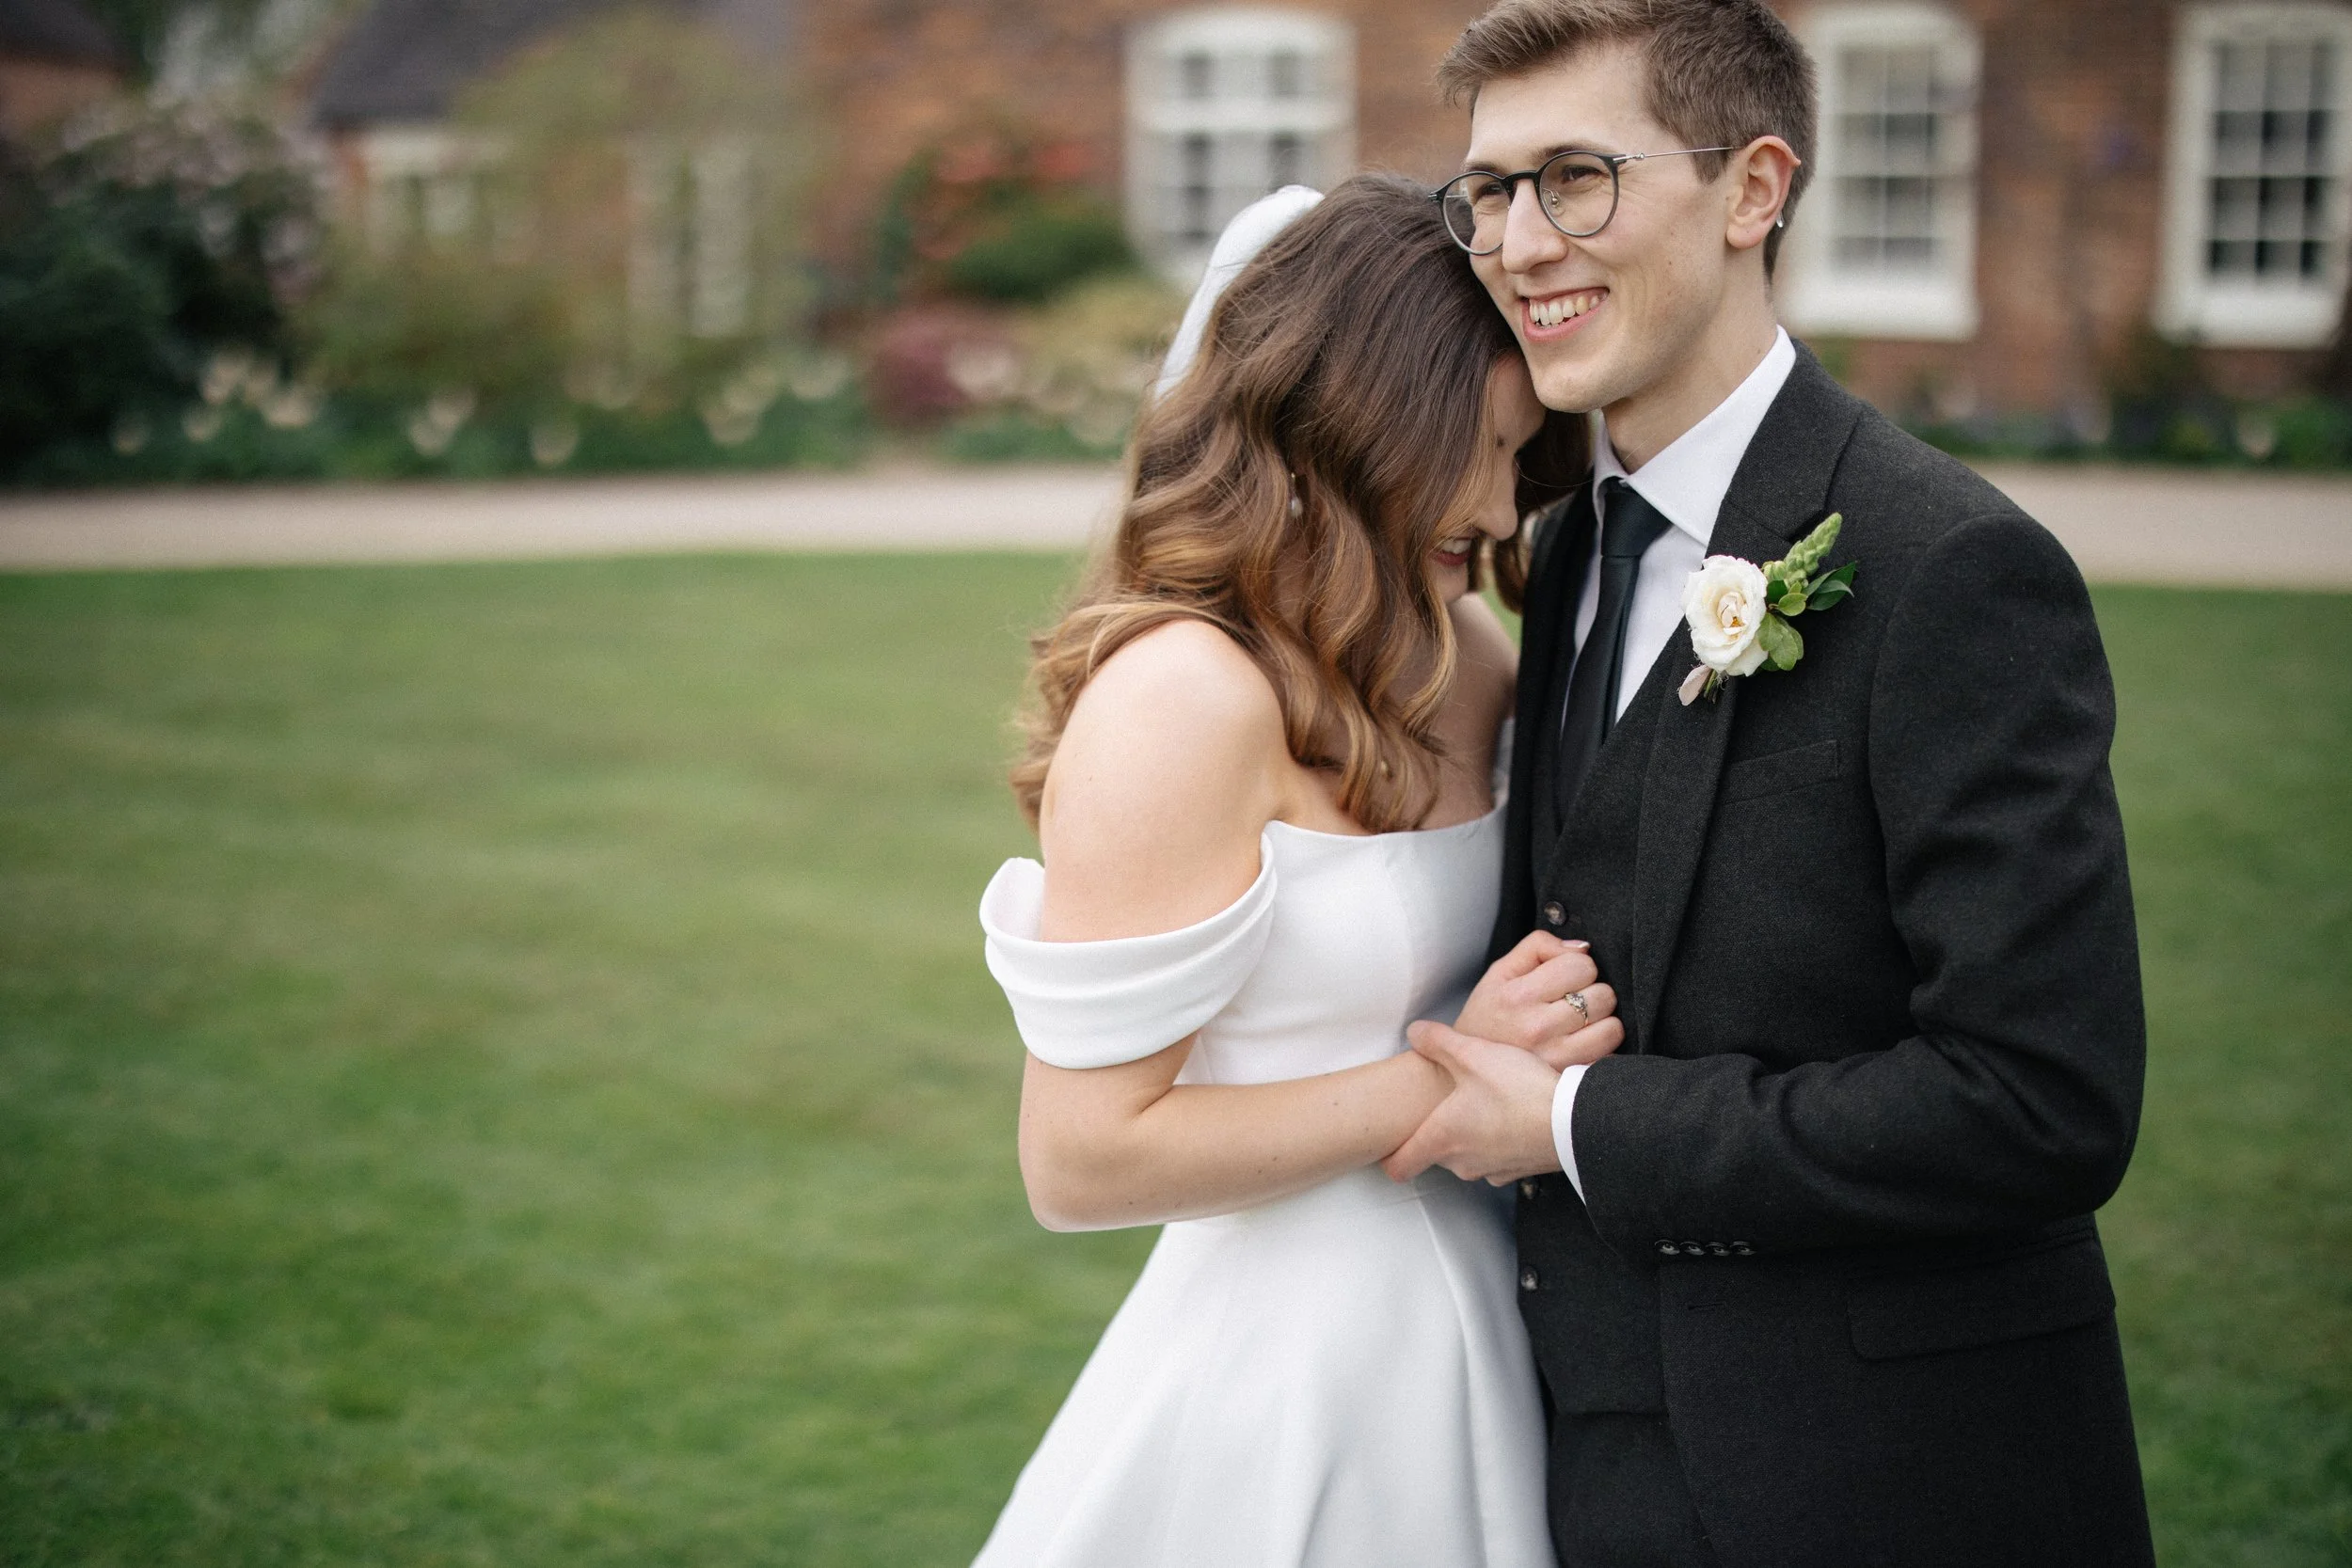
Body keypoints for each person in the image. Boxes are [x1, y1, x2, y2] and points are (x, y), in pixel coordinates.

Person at [1383, 2, 2159, 1564]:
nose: (1521, 243)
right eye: (1490, 190)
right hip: (1583, 1459)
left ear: (1754, 191)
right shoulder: (1564, 543)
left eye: (1580, 177)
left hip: (1887, 1480)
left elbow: (2039, 1101)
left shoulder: (1955, 568)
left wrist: (1586, 1119)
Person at [970, 174, 1599, 1566]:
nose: (1503, 505)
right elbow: (1079, 1158)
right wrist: (1452, 1073)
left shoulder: (1466, 660)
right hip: (1290, 1362)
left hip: (1500, 1316)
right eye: (1483, 447)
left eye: (1524, 449)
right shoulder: (1183, 697)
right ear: (1361, 424)